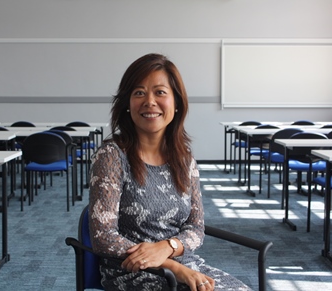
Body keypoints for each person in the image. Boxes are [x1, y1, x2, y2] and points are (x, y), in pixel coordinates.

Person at [89, 53, 251, 291]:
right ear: (127, 105)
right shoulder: (112, 156)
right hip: (130, 271)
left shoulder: (184, 158)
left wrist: (168, 247)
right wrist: (171, 266)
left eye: (160, 92)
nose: (150, 101)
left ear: (176, 104)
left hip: (185, 263)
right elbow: (103, 237)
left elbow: (196, 228)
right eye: (139, 93)